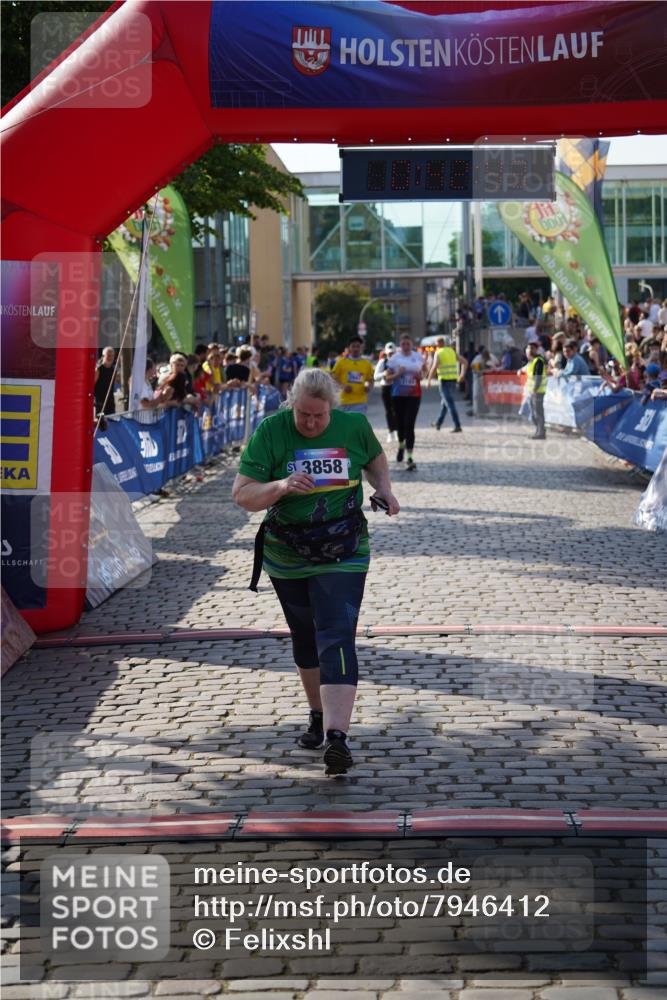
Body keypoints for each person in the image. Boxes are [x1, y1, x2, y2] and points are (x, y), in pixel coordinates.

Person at [232, 367, 399, 776]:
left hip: (344, 549)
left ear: (332, 411)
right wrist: (282, 487)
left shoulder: (353, 425)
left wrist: (384, 487)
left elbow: (374, 457)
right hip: (287, 553)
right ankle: (317, 714)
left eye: (318, 416)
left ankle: (337, 737)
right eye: (302, 415)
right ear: (291, 405)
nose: (309, 423)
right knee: (305, 636)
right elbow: (242, 495)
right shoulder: (271, 432)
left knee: (336, 633)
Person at [384, 334, 428, 471]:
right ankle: (401, 445)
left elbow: (424, 370)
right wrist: (398, 374)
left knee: (410, 424)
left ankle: (409, 456)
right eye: (403, 344)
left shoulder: (417, 357)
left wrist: (422, 376)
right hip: (398, 395)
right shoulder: (394, 358)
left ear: (411, 344)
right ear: (400, 345)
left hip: (414, 395)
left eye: (408, 344)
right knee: (401, 424)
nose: (406, 346)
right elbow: (387, 378)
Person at [426, 335, 467, 432]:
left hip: (444, 381)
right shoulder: (451, 351)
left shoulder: (439, 353)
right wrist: (462, 374)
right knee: (445, 403)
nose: (436, 346)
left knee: (449, 403)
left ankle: (457, 425)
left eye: (436, 344)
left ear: (439, 344)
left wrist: (429, 380)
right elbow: (465, 362)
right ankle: (438, 423)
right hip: (453, 380)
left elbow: (434, 367)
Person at [331, 335, 375, 414]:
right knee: (344, 425)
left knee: (357, 425)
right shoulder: (341, 362)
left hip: (360, 402)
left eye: (358, 346)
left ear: (362, 348)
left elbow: (371, 380)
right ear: (349, 348)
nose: (356, 349)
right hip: (343, 401)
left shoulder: (367, 364)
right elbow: (333, 378)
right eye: (353, 346)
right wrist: (343, 387)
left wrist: (368, 386)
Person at [521, 342, 547, 439]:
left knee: (538, 412)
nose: (529, 350)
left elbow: (538, 377)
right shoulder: (532, 362)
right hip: (533, 391)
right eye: (528, 348)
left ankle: (541, 433)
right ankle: (539, 431)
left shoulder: (538, 361)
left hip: (538, 391)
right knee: (534, 413)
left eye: (531, 348)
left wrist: (535, 389)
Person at [373, 341, 398, 443]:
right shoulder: (382, 362)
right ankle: (390, 432)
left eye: (393, 353)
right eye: (389, 353)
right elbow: (375, 377)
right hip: (386, 387)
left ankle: (397, 431)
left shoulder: (399, 362)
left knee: (396, 410)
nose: (391, 355)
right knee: (388, 411)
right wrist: (384, 373)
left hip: (396, 387)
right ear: (386, 353)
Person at [94, 346, 117, 417]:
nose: (110, 358)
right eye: (108, 355)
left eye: (112, 356)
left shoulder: (114, 369)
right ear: (103, 356)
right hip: (99, 402)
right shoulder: (98, 369)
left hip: (110, 402)